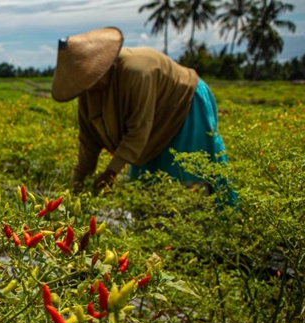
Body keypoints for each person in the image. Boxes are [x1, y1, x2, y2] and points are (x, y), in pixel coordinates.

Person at [52, 27, 235, 202]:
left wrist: (110, 173)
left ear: (101, 70)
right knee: (145, 188)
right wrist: (78, 180)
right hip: (151, 129)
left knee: (184, 180)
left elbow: (139, 129)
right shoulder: (88, 94)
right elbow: (88, 139)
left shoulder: (137, 73)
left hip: (182, 107)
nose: (88, 88)